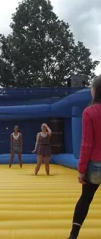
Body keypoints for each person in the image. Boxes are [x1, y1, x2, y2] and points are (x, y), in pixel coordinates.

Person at [67, 76, 101, 239]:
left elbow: (87, 143)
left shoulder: (89, 112)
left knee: (86, 198)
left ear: (95, 91)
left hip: (95, 164)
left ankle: (73, 235)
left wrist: (81, 169)